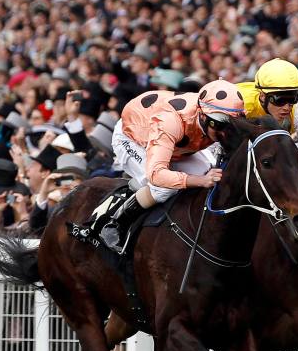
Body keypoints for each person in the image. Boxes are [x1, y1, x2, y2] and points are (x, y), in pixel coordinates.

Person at [98, 79, 245, 252]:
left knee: (210, 167)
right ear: (203, 115)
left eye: (230, 126)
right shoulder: (170, 122)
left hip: (175, 145)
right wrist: (199, 181)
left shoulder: (216, 116)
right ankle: (114, 223)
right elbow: (157, 174)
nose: (223, 132)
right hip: (133, 138)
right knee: (164, 188)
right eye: (218, 125)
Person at [236, 58, 298, 158]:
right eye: (280, 100)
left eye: (292, 99)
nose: (286, 107)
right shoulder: (239, 103)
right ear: (262, 96)